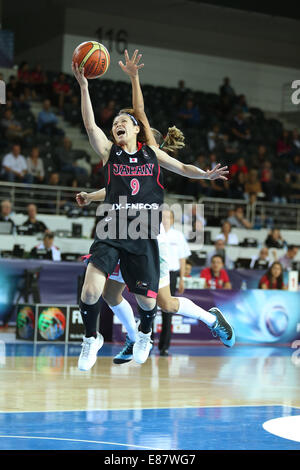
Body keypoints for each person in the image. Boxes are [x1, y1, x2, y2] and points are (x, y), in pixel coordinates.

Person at [73, 49, 234, 370]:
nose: (120, 123)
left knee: (163, 303)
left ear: (139, 132)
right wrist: (91, 197)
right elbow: (116, 188)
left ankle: (207, 317)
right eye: (117, 121)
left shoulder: (151, 154)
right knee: (104, 293)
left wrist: (204, 174)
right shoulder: (116, 156)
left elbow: (143, 116)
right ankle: (128, 336)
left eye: (126, 121)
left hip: (142, 238)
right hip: (115, 233)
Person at [158, 209, 191, 356]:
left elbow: (182, 258)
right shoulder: (154, 233)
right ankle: (146, 344)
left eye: (168, 217)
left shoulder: (178, 236)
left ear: (172, 220)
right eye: (163, 216)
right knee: (148, 309)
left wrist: (182, 278)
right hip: (154, 274)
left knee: (168, 310)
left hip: (171, 275)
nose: (165, 219)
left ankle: (164, 347)